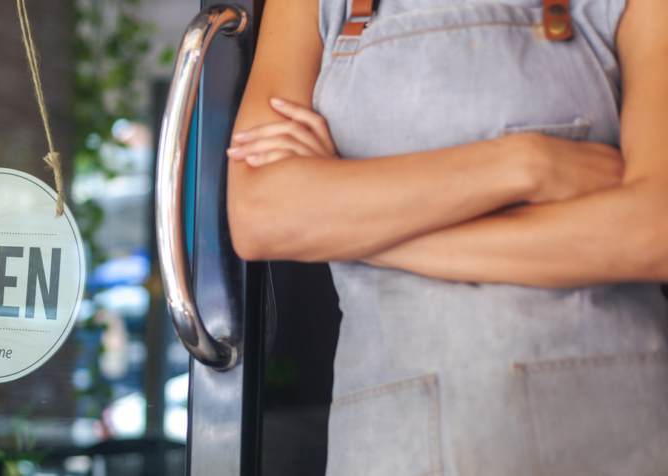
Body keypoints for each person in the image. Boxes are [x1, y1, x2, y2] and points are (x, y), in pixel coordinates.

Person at [225, 0, 668, 474]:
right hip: (391, 444)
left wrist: (348, 226)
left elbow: (652, 233)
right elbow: (260, 215)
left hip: (606, 430)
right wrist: (525, 164)